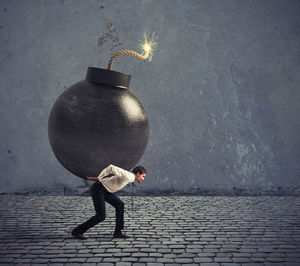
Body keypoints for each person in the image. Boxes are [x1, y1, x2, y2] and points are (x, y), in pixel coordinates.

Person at [71, 164, 146, 239]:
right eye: (143, 176)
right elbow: (111, 167)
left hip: (106, 191)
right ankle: (77, 231)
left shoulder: (130, 177)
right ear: (138, 174)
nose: (143, 179)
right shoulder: (129, 176)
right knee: (101, 216)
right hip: (99, 189)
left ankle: (118, 232)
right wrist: (100, 177)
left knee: (120, 205)